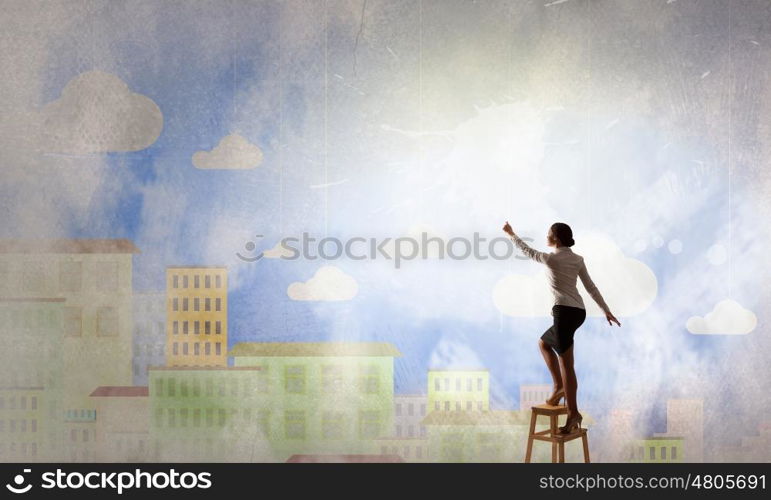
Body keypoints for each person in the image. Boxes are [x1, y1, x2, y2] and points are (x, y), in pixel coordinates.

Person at [502, 221, 621, 434]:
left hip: (563, 313)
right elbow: (591, 287)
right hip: (578, 313)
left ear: (555, 238)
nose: (546, 236)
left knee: (567, 364)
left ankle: (573, 413)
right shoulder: (577, 259)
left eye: (548, 234)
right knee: (544, 343)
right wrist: (606, 310)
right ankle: (558, 388)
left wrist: (511, 234)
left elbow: (527, 250)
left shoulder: (550, 259)